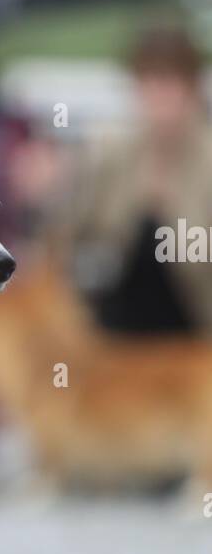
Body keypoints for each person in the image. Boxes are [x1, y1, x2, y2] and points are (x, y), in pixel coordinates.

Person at [53, 27, 212, 334]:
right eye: (148, 83)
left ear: (192, 88)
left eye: (169, 83)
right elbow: (67, 236)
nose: (158, 97)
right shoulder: (112, 154)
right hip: (115, 332)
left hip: (196, 333)